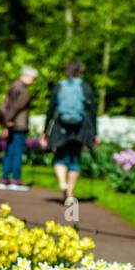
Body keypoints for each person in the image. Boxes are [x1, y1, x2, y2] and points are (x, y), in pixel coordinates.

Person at [44, 58, 97, 201]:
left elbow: (50, 109)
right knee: (75, 159)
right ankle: (70, 193)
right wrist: (94, 133)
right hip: (80, 128)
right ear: (80, 72)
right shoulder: (86, 87)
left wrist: (45, 130)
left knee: (60, 156)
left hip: (61, 126)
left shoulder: (59, 86)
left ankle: (62, 182)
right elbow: (92, 111)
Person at [0, 66, 37, 190]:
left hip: (11, 123)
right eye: (33, 78)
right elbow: (15, 107)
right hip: (18, 124)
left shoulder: (13, 86)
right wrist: (8, 121)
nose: (33, 81)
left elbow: (4, 106)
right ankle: (16, 179)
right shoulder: (23, 90)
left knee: (9, 151)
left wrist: (4, 122)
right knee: (17, 152)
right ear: (26, 76)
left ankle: (4, 178)